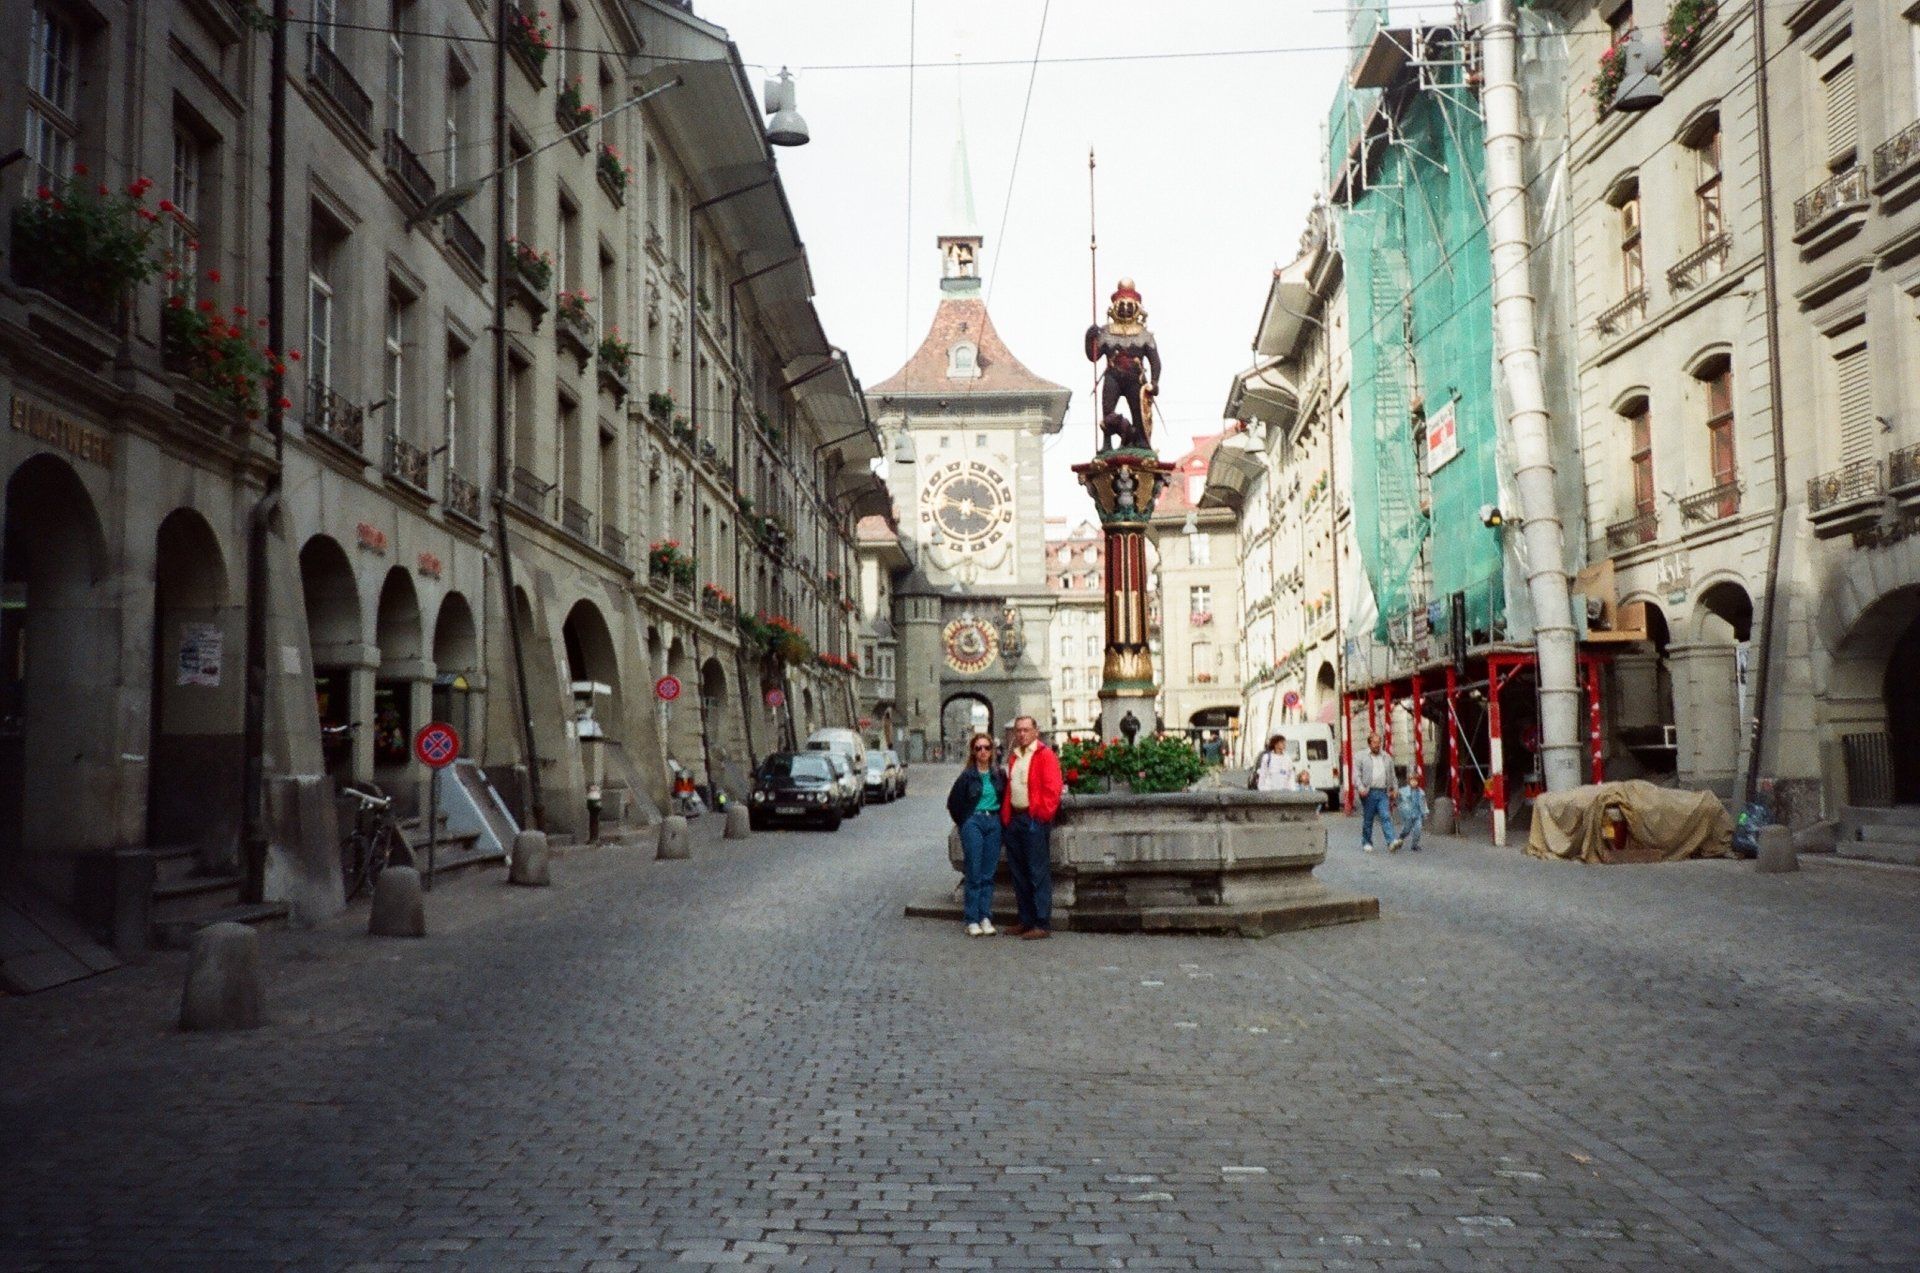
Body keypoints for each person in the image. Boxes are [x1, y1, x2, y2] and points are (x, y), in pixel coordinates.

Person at [1000, 715, 1063, 940]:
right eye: (1018, 730)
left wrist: (1041, 815)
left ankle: (1041, 922)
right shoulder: (1015, 756)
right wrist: (1007, 818)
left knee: (1037, 873)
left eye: (1026, 730)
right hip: (1015, 820)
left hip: (1033, 819)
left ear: (1036, 732)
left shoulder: (1045, 755)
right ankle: (1025, 919)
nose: (1022, 734)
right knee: (1019, 874)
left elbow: (1053, 789)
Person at [945, 734, 1003, 937]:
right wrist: (965, 822)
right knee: (974, 871)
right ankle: (972, 919)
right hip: (974, 823)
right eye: (978, 748)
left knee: (988, 873)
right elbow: (953, 803)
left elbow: (1004, 797)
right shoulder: (967, 776)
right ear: (973, 752)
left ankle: (985, 917)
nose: (983, 752)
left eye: (986, 747)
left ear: (992, 750)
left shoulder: (998, 774)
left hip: (993, 822)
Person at [1356, 732, 1394, 852]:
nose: (1377, 745)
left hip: (1383, 792)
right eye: (1375, 743)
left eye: (1379, 742)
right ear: (1369, 743)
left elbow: (1392, 775)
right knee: (1368, 818)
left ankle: (1391, 841)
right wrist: (1361, 788)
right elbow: (1356, 775)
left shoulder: (1387, 757)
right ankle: (1367, 841)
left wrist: (1394, 789)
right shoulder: (1361, 756)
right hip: (1369, 792)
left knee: (1386, 816)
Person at [1390, 764, 1428, 853]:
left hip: (1417, 814)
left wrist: (1425, 812)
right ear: (1409, 781)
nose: (1414, 782)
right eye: (1412, 781)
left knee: (1418, 829)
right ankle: (1400, 838)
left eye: (1416, 781)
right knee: (1406, 829)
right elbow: (1397, 798)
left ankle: (1414, 845)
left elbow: (1423, 803)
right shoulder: (1403, 791)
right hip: (1408, 814)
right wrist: (1394, 801)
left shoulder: (1421, 792)